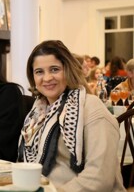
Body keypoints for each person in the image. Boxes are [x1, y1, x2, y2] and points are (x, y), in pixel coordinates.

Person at [17, 40, 125, 191]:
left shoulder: (91, 108)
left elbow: (99, 177)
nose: (47, 78)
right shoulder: (37, 113)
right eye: (39, 72)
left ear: (68, 71)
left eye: (54, 69)